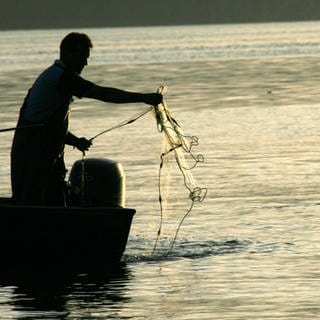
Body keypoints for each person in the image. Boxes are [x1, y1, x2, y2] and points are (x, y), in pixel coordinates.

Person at [10, 32, 162, 206]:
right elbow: (104, 94)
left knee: (51, 203)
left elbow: (47, 125)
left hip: (41, 154)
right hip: (33, 158)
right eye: (82, 57)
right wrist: (143, 98)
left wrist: (75, 141)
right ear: (68, 53)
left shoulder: (52, 76)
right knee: (37, 205)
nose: (85, 62)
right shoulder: (62, 78)